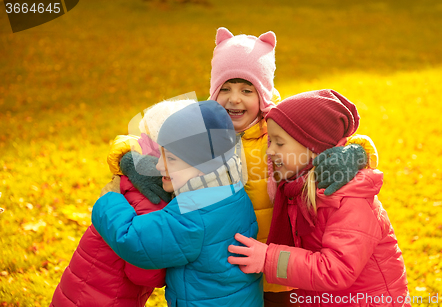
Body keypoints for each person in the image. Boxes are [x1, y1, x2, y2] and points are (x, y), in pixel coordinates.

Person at [104, 27, 375, 306]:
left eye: (247, 90)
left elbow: (326, 138)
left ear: (264, 94)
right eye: (226, 88)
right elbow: (150, 138)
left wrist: (356, 152)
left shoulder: (280, 132)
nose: (234, 99)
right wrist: (129, 157)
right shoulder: (201, 129)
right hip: (224, 269)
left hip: (283, 267)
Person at [228, 89, 410, 307]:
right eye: (269, 143)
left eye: (279, 143)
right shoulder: (297, 188)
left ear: (312, 148)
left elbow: (337, 270)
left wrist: (269, 259)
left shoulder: (348, 198)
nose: (270, 152)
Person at [92, 100, 263, 307]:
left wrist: (108, 200)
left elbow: (133, 241)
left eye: (171, 159)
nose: (159, 165)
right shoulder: (233, 189)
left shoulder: (193, 212)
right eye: (161, 153)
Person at [50, 136, 170, 305]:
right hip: (110, 296)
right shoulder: (154, 201)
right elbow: (143, 273)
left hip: (77, 286)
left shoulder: (125, 182)